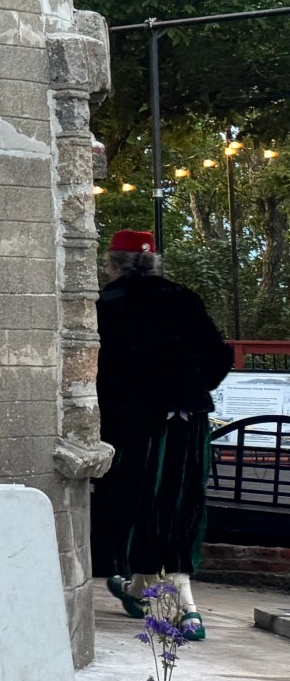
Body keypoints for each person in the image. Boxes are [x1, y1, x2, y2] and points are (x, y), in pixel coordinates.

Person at [92, 228, 233, 640]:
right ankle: (143, 586)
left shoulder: (107, 303)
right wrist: (191, 385)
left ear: (113, 261)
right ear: (153, 260)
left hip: (131, 418)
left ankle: (177, 601)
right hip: (186, 414)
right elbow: (220, 355)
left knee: (135, 498)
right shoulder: (183, 297)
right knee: (179, 499)